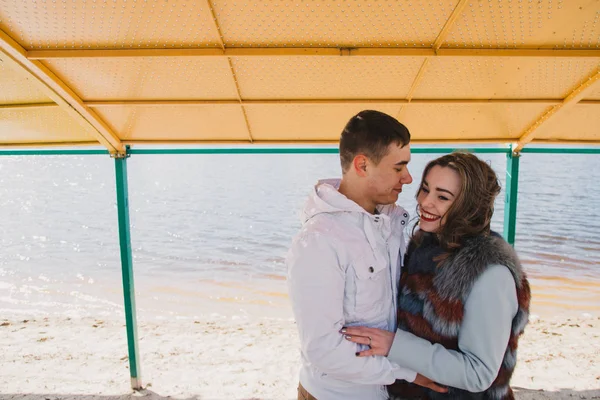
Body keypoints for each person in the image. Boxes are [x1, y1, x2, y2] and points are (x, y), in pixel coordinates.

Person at [342, 152, 531, 399]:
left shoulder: (489, 273)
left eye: (442, 197)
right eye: (425, 189)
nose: (425, 202)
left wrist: (394, 345)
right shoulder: (426, 246)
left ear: (470, 206)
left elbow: (479, 374)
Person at [287, 110, 446, 400]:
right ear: (362, 165)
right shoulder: (318, 241)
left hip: (385, 390)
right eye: (399, 167)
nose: (408, 178)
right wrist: (409, 372)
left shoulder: (392, 222)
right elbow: (323, 349)